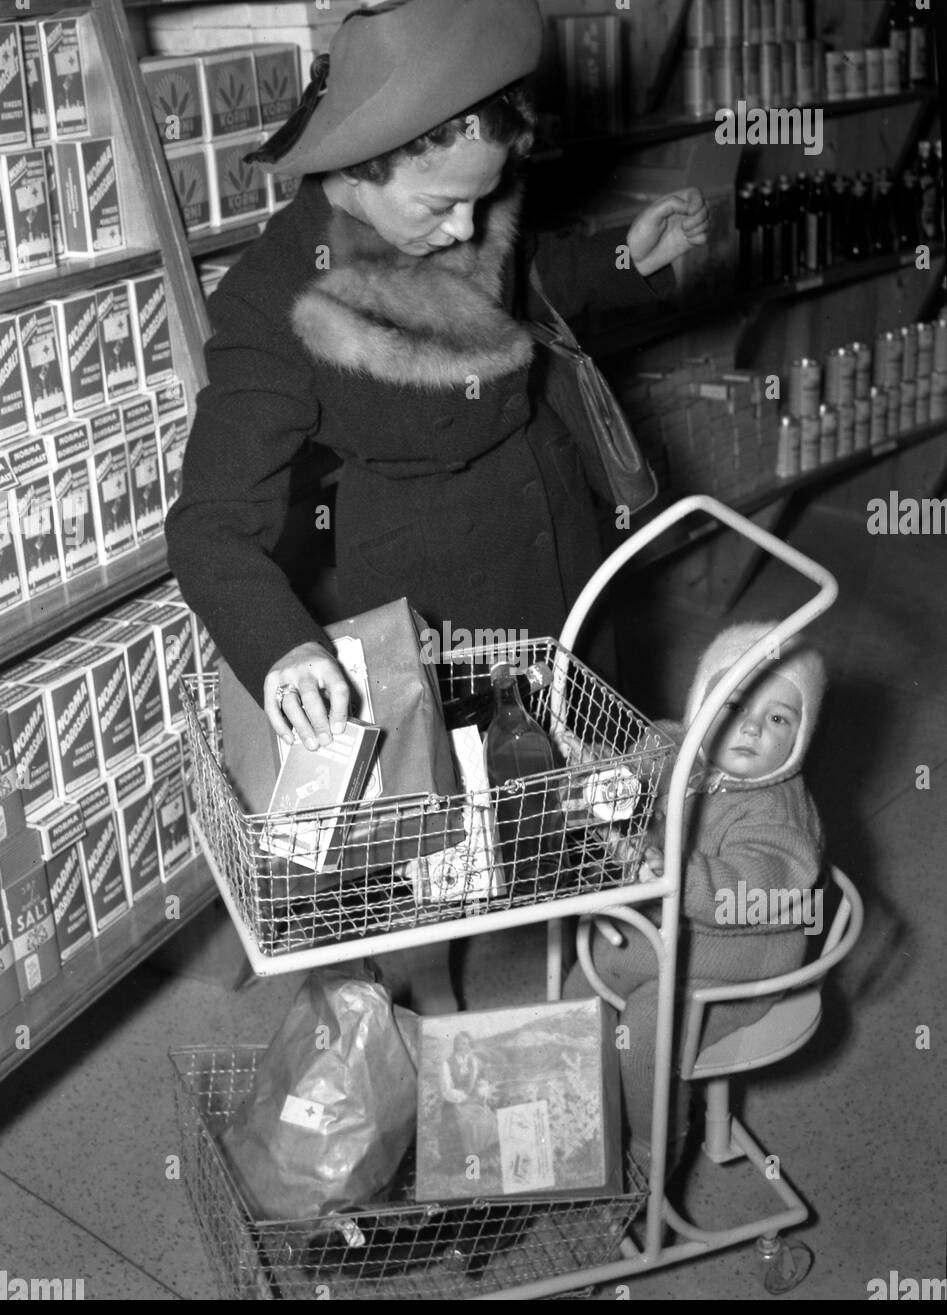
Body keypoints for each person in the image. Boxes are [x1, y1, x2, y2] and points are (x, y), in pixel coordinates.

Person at [165, 0, 708, 1011]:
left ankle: (573, 977)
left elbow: (525, 273)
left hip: (558, 541)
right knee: (445, 847)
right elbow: (208, 525)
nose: (463, 225)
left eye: (482, 197)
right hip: (435, 600)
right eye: (437, 207)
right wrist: (279, 645)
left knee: (569, 802)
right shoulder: (272, 305)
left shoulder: (464, 189)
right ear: (356, 167)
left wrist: (630, 256)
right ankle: (441, 1028)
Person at [565, 622, 827, 1170]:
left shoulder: (779, 813)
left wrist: (680, 873)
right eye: (732, 703)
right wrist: (595, 770)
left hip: (747, 951)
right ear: (700, 701)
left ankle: (652, 1152)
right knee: (588, 966)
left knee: (645, 1029)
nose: (750, 727)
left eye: (777, 718)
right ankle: (572, 1097)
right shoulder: (672, 745)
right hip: (677, 928)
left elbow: (760, 881)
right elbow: (629, 777)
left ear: (801, 738)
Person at [438, 1031, 499, 1173]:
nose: (464, 1046)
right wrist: (464, 1097)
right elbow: (446, 1089)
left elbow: (482, 1081)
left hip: (473, 1100)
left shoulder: (473, 1061)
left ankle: (486, 1161)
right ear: (455, 1045)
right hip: (455, 1102)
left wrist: (480, 1092)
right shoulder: (447, 1064)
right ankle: (471, 1164)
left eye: (467, 1043)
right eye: (461, 1043)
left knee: (489, 1119)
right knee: (470, 1123)